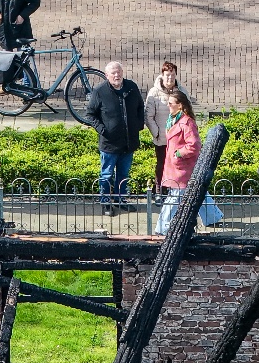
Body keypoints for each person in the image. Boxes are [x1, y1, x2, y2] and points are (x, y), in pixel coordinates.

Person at [154, 89, 220, 235]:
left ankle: (163, 227)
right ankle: (214, 217)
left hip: (182, 168)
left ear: (180, 105)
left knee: (174, 198)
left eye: (171, 103)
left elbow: (195, 145)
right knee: (197, 192)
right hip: (176, 166)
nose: (168, 106)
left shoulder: (186, 122)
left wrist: (178, 154)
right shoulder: (173, 120)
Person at [82, 61, 142, 214]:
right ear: (107, 75)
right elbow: (90, 114)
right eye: (113, 73)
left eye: (119, 72)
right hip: (109, 143)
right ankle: (105, 202)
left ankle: (120, 199)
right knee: (107, 174)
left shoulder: (131, 87)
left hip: (128, 142)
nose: (117, 75)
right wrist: (102, 129)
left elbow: (140, 107)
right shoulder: (99, 91)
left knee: (123, 174)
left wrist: (138, 126)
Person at [144, 61, 185, 186]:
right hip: (162, 138)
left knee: (177, 164)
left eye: (173, 75)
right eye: (167, 75)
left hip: (178, 138)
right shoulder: (154, 93)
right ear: (162, 75)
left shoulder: (182, 91)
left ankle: (175, 189)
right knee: (162, 164)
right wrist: (156, 133)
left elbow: (188, 112)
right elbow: (148, 116)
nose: (170, 78)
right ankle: (159, 190)